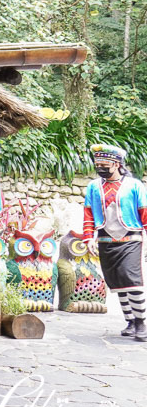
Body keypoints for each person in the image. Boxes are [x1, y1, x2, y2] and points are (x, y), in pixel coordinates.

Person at [82, 144, 147, 342]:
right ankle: (130, 321)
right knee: (117, 282)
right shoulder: (94, 186)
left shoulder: (134, 185)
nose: (100, 167)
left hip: (130, 237)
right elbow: (88, 213)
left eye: (104, 164)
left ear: (117, 164)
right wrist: (88, 237)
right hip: (105, 239)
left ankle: (141, 321)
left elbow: (144, 212)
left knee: (131, 279)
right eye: (97, 164)